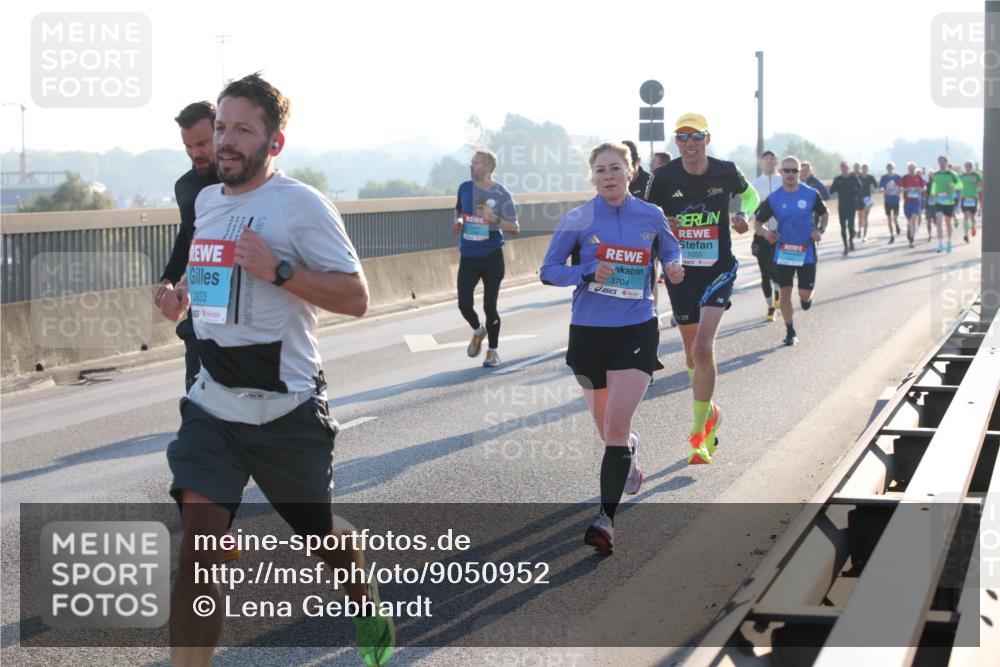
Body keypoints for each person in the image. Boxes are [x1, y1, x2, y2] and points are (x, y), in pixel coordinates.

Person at [158, 73, 394, 667]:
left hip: (286, 411)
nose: (227, 140)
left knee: (322, 539)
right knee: (201, 545)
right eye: (222, 127)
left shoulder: (301, 205)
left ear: (274, 143)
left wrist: (281, 273)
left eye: (243, 129)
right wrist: (183, 295)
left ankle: (362, 600)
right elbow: (211, 275)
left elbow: (357, 298)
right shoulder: (208, 201)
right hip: (213, 405)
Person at [540, 141, 683, 551]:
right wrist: (587, 271)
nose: (608, 176)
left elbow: (670, 248)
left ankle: (606, 520)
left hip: (636, 329)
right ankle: (630, 455)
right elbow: (549, 271)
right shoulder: (577, 218)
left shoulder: (651, 215)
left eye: (616, 168)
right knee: (608, 431)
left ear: (631, 171)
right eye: (600, 169)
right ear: (593, 176)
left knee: (616, 426)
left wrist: (674, 266)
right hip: (588, 332)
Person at [646, 113, 759, 465]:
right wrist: (663, 222)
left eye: (696, 137)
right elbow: (645, 214)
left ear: (707, 139)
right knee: (690, 352)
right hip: (680, 271)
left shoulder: (725, 170)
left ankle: (698, 436)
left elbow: (751, 196)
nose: (689, 144)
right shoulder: (664, 177)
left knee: (703, 345)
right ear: (676, 143)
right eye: (682, 138)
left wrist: (745, 216)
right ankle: (711, 412)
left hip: (718, 269)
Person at [155, 101, 221, 393]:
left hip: (244, 302)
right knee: (197, 393)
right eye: (188, 146)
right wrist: (168, 279)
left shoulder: (243, 180)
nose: (195, 153)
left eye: (202, 144)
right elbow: (187, 234)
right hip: (202, 295)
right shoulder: (185, 186)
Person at [453, 150, 520, 368]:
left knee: (490, 306)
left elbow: (514, 228)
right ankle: (477, 330)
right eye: (471, 162)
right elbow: (459, 211)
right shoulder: (464, 188)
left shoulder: (502, 194)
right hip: (468, 256)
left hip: (492, 256)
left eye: (476, 163)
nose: (471, 165)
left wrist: (493, 218)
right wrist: (460, 222)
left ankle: (493, 351)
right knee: (464, 304)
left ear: (489, 168)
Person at [753, 156, 828, 346]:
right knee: (785, 293)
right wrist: (765, 233)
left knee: (804, 296)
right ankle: (790, 330)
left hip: (806, 251)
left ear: (799, 173)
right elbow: (758, 222)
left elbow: (824, 214)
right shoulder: (775, 198)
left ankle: (806, 299)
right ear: (781, 172)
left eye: (794, 171)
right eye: (787, 170)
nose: (791, 174)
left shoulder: (811, 194)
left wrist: (819, 230)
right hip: (784, 251)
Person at [750, 150, 783, 322]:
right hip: (762, 233)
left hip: (780, 234)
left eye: (772, 158)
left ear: (776, 161)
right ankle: (770, 307)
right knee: (764, 272)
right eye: (766, 159)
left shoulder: (783, 181)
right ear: (761, 162)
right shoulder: (756, 183)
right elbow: (749, 207)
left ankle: (778, 295)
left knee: (776, 270)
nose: (769, 161)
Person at [929, 155, 961, 253]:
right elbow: (934, 185)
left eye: (943, 162)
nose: (941, 164)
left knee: (948, 223)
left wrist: (953, 186)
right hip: (938, 201)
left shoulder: (952, 174)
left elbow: (960, 185)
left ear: (946, 163)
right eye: (940, 162)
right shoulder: (936, 174)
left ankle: (949, 242)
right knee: (938, 222)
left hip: (949, 201)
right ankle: (940, 244)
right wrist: (932, 194)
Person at [829, 161, 862, 255]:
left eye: (846, 167)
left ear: (848, 168)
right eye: (842, 167)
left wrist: (855, 191)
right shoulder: (838, 179)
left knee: (851, 226)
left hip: (852, 205)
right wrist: (835, 188)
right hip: (842, 206)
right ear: (841, 168)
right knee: (843, 227)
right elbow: (831, 190)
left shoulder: (853, 178)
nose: (844, 169)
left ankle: (851, 240)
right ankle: (845, 246)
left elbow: (860, 187)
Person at [900, 162, 926, 247]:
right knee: (909, 221)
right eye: (910, 168)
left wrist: (920, 189)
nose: (911, 170)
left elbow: (924, 188)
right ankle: (910, 231)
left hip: (916, 201)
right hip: (907, 202)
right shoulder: (905, 178)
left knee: (913, 220)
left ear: (915, 169)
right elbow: (899, 189)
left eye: (913, 168)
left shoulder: (919, 177)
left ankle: (912, 240)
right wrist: (906, 189)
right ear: (908, 169)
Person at [799, 161, 830, 231]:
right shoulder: (796, 181)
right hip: (799, 206)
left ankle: (821, 229)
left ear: (810, 171)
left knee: (826, 211)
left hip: (813, 208)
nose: (804, 173)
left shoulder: (815, 182)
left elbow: (826, 195)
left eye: (806, 170)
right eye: (802, 170)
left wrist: (816, 199)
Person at [959, 161, 983, 242]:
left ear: (971, 167)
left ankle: (973, 227)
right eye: (966, 166)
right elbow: (957, 184)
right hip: (964, 198)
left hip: (973, 198)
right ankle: (966, 235)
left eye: (969, 166)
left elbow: (981, 184)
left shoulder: (976, 175)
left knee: (972, 217)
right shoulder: (962, 175)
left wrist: (977, 182)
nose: (967, 168)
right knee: (966, 216)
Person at [879, 162, 902, 244]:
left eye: (891, 167)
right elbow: (881, 187)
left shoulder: (898, 177)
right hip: (887, 200)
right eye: (888, 167)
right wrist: (883, 190)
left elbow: (901, 187)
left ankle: (897, 225)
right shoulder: (884, 177)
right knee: (889, 219)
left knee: (895, 218)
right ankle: (892, 236)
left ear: (893, 168)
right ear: (887, 168)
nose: (890, 169)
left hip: (895, 200)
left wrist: (898, 191)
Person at [856, 163, 878, 242]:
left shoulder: (871, 177)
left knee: (866, 217)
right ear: (861, 169)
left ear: (868, 170)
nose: (864, 170)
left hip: (867, 199)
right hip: (859, 198)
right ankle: (859, 230)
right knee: (860, 216)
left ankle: (864, 235)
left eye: (866, 169)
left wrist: (874, 190)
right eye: (863, 168)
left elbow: (876, 187)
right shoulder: (858, 177)